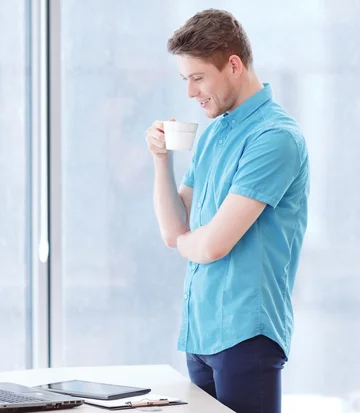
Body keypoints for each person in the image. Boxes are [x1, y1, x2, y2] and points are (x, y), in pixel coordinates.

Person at [145, 9, 310, 413]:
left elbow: (215, 244)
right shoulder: (214, 132)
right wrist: (160, 159)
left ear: (233, 65)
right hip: (200, 335)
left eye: (198, 77)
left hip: (245, 336)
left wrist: (190, 241)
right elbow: (173, 231)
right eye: (186, 79)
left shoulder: (275, 138)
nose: (190, 92)